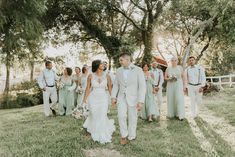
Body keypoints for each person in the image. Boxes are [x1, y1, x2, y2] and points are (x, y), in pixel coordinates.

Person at [111, 52, 146, 145]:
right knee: (121, 116)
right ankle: (124, 135)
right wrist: (113, 97)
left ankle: (132, 135)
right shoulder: (118, 70)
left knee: (132, 117)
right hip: (121, 97)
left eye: (121, 60)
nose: (120, 62)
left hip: (134, 98)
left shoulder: (138, 70)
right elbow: (116, 85)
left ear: (127, 59)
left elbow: (142, 86)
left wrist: (141, 101)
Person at [82, 60, 115, 144]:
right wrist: (84, 100)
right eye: (101, 64)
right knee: (94, 114)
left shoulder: (107, 76)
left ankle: (102, 131)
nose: (103, 64)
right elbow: (88, 89)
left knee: (102, 114)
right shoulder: (90, 76)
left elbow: (110, 89)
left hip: (103, 97)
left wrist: (113, 98)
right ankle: (93, 130)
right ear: (96, 65)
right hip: (93, 98)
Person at [165, 57, 186, 121]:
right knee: (171, 98)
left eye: (175, 60)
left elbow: (183, 77)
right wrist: (170, 79)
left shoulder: (180, 68)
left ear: (177, 61)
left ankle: (180, 115)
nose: (174, 62)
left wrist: (184, 85)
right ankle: (172, 114)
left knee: (179, 98)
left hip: (179, 85)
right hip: (170, 85)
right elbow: (165, 78)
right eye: (172, 60)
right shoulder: (168, 69)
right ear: (171, 61)